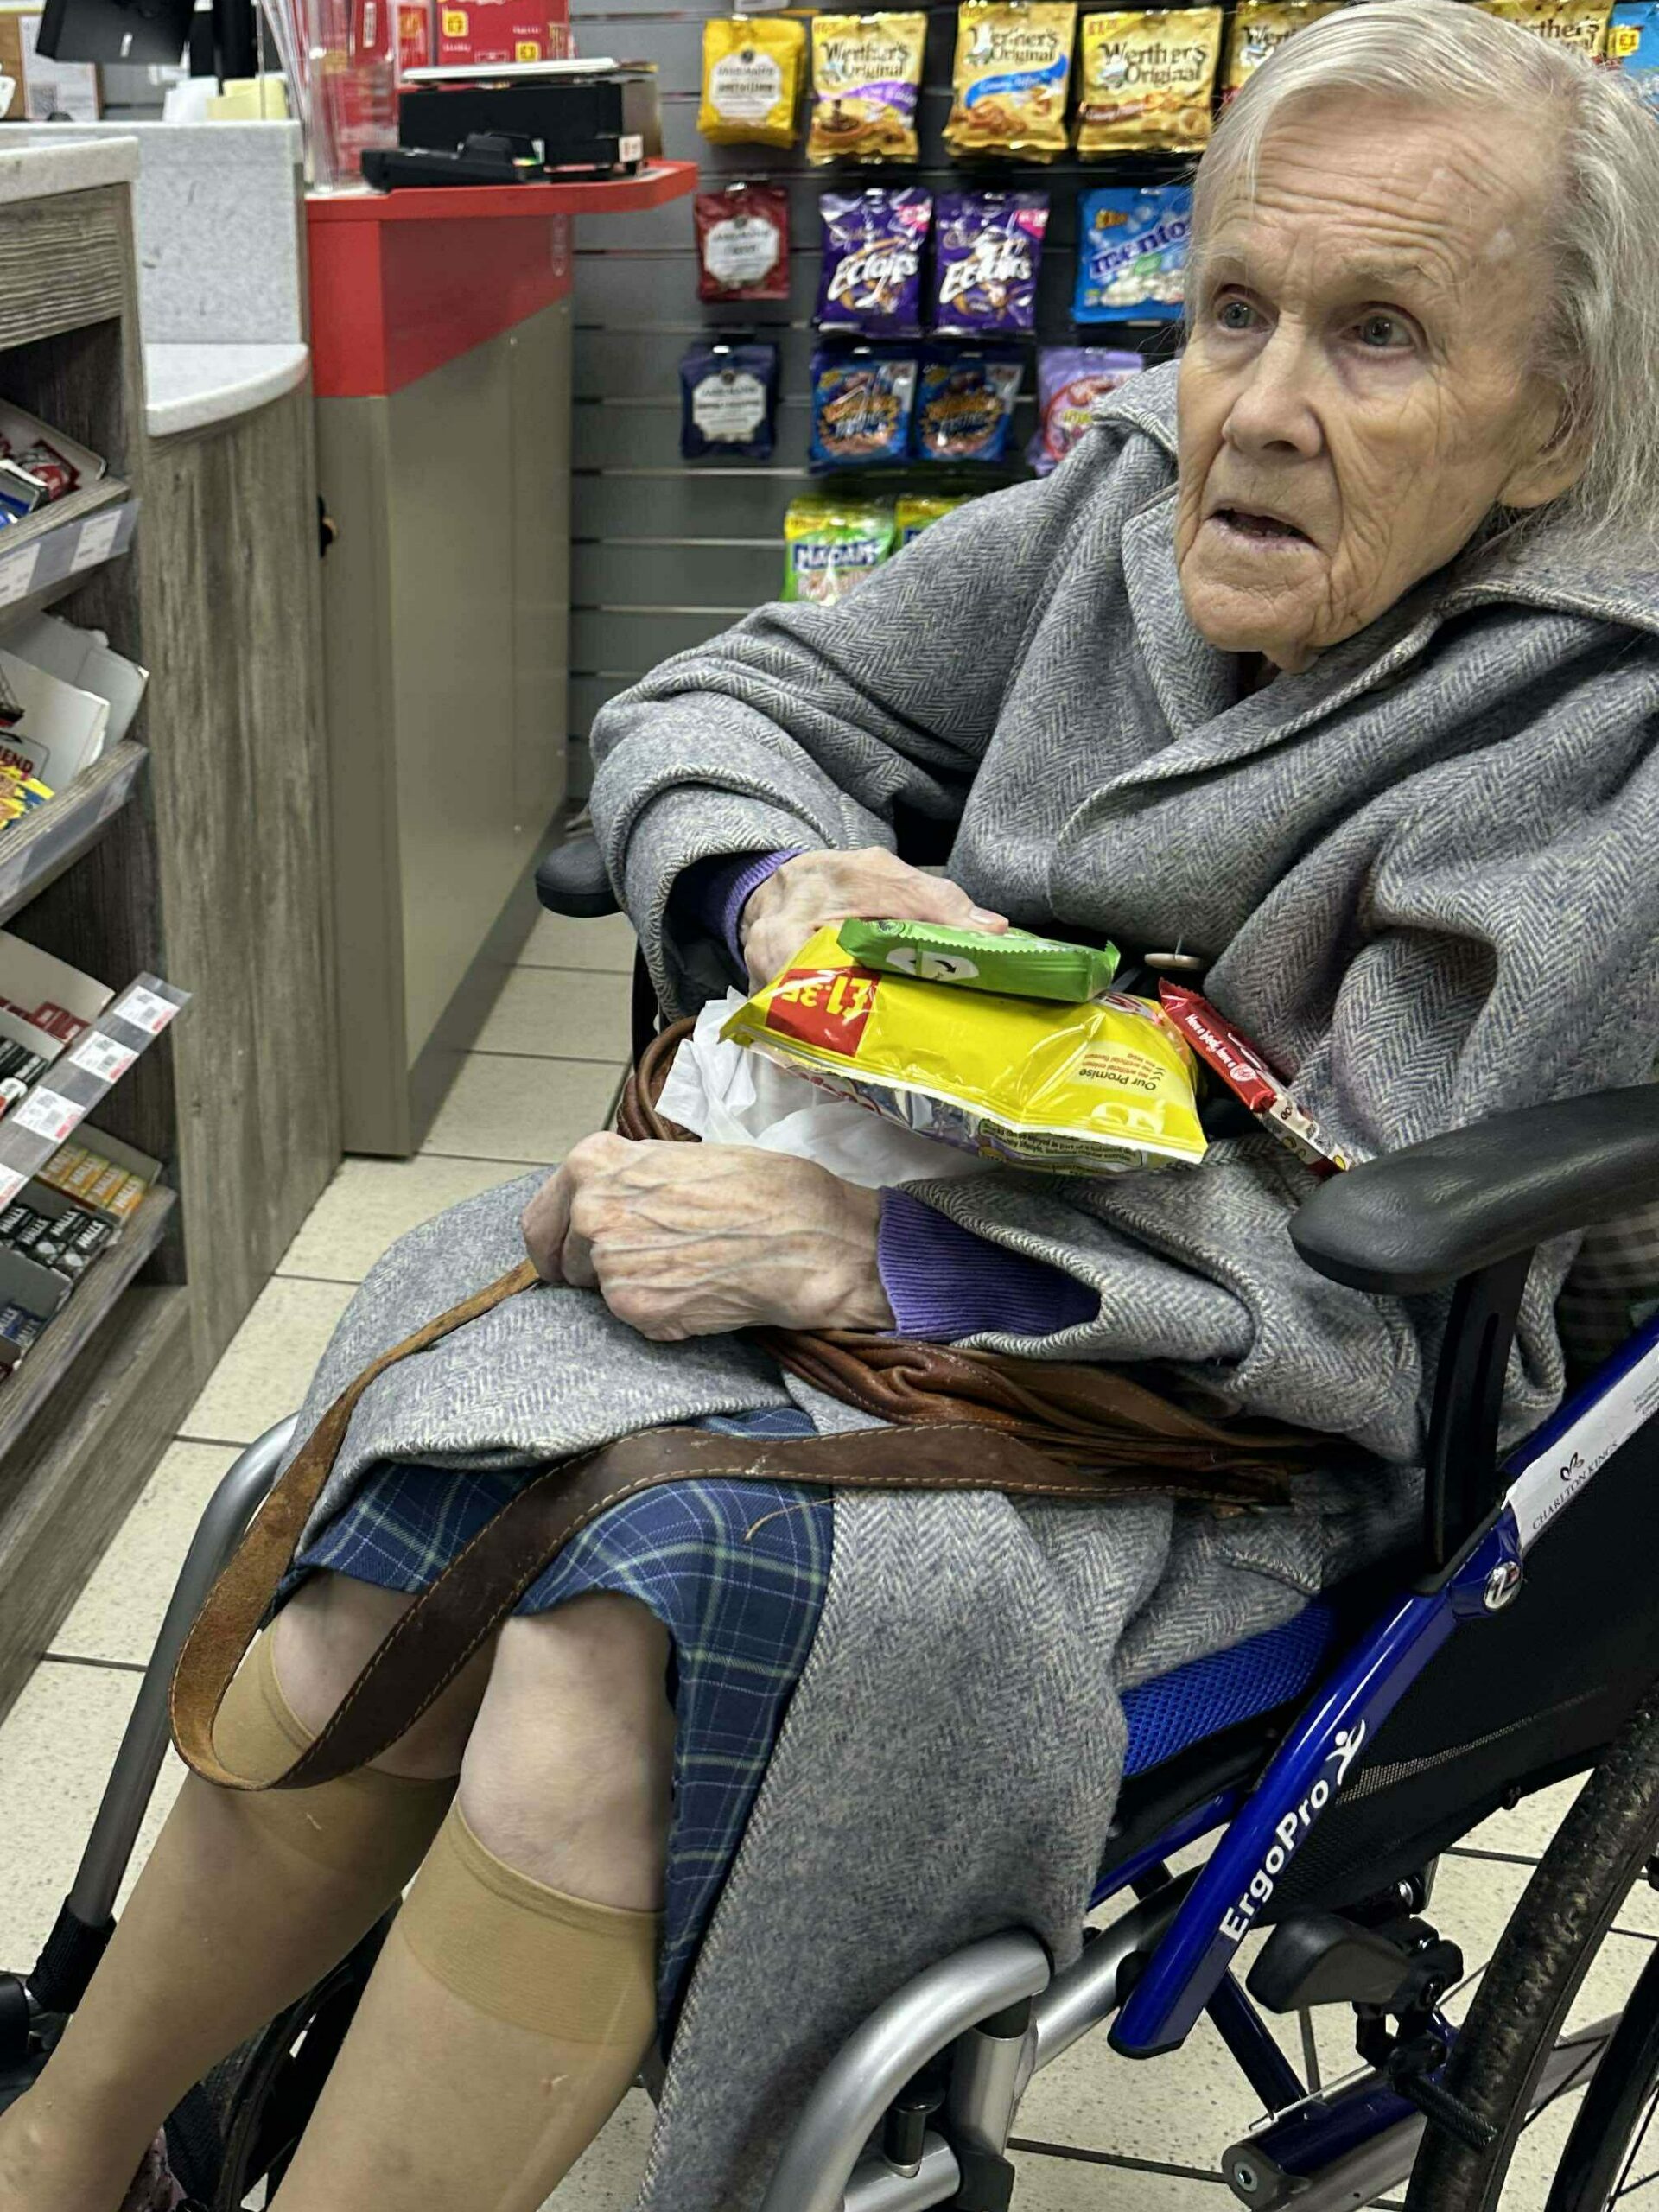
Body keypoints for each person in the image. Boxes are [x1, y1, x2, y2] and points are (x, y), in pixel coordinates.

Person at [7, 3, 1659, 2205]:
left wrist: (892, 1256)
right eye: (1234, 310)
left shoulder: (1596, 739)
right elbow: (728, 691)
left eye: (1381, 335)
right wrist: (777, 883)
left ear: (1552, 423)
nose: (1260, 408)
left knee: (607, 1637)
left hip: (1228, 1422)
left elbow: (1361, 1274)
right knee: (411, 1515)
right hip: (897, 1242)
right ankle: (61, 2148)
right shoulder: (1116, 512)